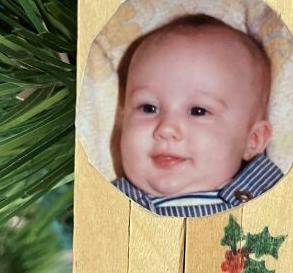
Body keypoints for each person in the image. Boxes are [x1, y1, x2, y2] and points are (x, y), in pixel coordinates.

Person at [112, 14, 283, 217]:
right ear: (122, 119)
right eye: (148, 108)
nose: (166, 129)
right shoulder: (107, 207)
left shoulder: (271, 194)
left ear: (252, 140)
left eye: (198, 111)